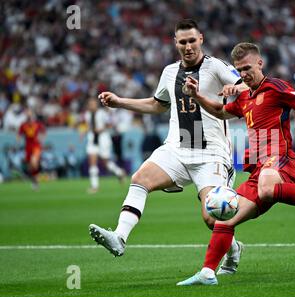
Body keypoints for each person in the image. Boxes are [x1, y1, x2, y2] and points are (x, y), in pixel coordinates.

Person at [177, 42, 295, 286]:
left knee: (268, 188)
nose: (244, 74)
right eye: (239, 70)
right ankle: (208, 272)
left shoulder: (277, 87)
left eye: (247, 67)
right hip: (258, 169)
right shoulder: (244, 97)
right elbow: (219, 111)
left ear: (260, 63)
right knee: (222, 218)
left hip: (280, 159)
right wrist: (197, 96)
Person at [88, 19, 246, 275]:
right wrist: (120, 102)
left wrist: (235, 87)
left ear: (201, 39)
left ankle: (234, 248)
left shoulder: (216, 67)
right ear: (175, 43)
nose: (188, 46)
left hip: (211, 154)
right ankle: (119, 236)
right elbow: (157, 104)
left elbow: (246, 84)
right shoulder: (170, 72)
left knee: (211, 217)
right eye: (182, 42)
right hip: (177, 147)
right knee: (140, 178)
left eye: (192, 40)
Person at [81, 97, 126, 194]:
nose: (91, 105)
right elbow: (89, 126)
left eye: (93, 104)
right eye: (90, 104)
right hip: (92, 139)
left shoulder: (102, 113)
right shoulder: (88, 114)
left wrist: (100, 129)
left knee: (105, 163)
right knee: (92, 162)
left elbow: (110, 124)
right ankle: (94, 186)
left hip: (103, 139)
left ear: (96, 104)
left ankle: (119, 172)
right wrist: (84, 132)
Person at [17, 108, 46, 189]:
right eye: (27, 113)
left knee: (34, 162)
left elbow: (43, 132)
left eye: (30, 113)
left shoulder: (37, 124)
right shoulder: (23, 125)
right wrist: (18, 142)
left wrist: (42, 139)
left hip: (36, 146)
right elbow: (19, 134)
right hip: (27, 147)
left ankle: (35, 178)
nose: (29, 115)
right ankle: (34, 181)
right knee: (31, 166)